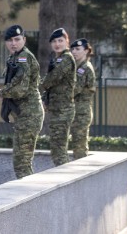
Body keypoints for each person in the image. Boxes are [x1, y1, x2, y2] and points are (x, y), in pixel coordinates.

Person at [0, 25, 44, 178]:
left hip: (29, 115)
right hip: (24, 115)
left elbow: (20, 89)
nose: (13, 43)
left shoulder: (24, 57)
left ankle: (29, 197)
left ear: (24, 39)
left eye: (17, 39)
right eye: (9, 40)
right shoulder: (14, 57)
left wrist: (2, 92)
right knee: (21, 161)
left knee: (22, 162)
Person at [40, 27, 76, 166]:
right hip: (57, 108)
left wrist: (37, 87)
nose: (57, 44)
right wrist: (45, 99)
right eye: (54, 41)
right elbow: (51, 84)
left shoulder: (66, 58)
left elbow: (53, 78)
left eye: (60, 40)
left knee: (59, 149)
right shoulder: (57, 59)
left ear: (67, 41)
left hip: (63, 109)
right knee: (56, 147)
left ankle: (64, 178)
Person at [69, 38, 96, 159]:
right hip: (77, 111)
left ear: (86, 51)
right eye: (73, 49)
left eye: (78, 49)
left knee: (79, 146)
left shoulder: (83, 68)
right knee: (77, 143)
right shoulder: (77, 67)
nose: (74, 51)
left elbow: (75, 90)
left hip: (82, 112)